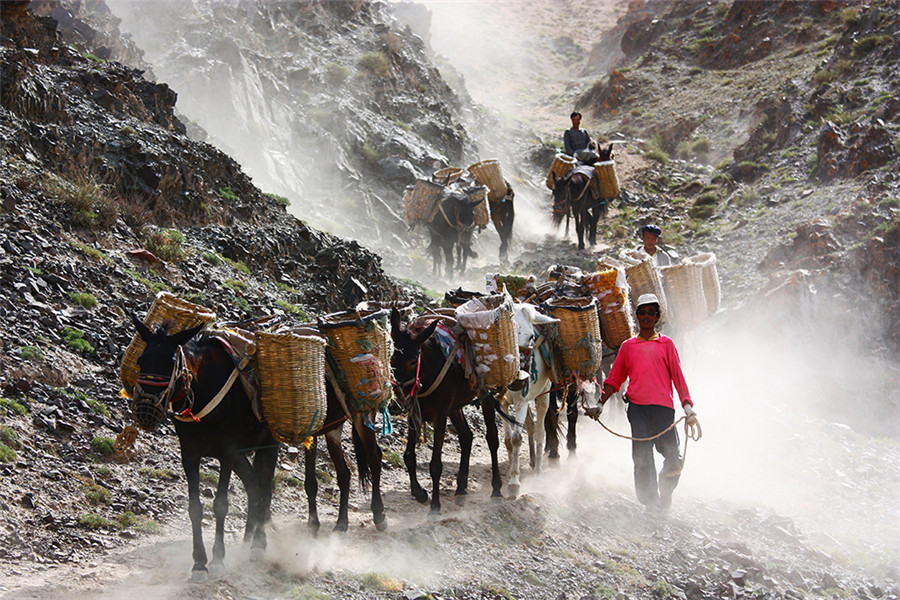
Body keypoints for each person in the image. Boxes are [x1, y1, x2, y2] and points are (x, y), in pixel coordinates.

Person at [586, 293, 698, 510]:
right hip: (638, 409)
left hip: (664, 410)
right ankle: (651, 503)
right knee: (642, 457)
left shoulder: (667, 344)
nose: (646, 316)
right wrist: (600, 404)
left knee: (673, 457)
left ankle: (665, 490)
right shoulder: (628, 346)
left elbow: (678, 377)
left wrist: (687, 406)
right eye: (642, 312)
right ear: (636, 316)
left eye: (651, 313)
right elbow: (614, 379)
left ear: (657, 317)